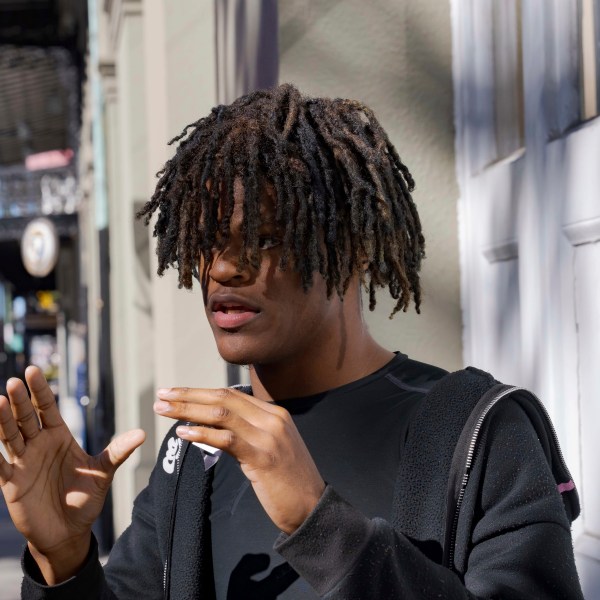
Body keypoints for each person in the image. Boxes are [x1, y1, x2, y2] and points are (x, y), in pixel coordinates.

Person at [0, 84, 583, 599]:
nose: (223, 268)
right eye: (205, 241)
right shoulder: (198, 450)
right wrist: (64, 563)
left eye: (262, 238)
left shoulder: (478, 431)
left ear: (351, 248)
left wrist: (319, 523)